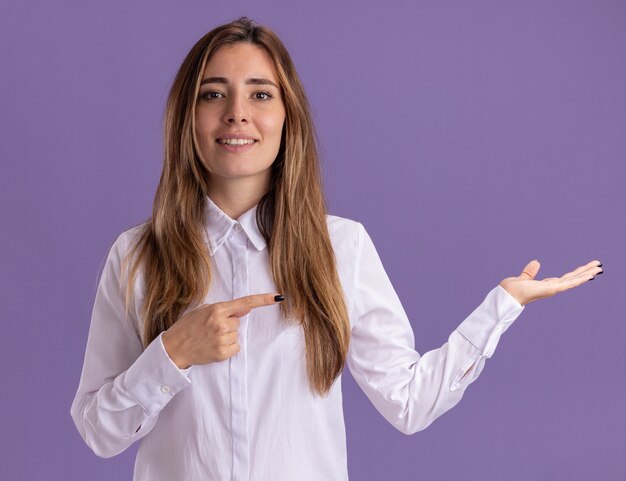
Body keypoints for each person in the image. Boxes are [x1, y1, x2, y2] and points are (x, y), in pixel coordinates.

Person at [70, 16, 603, 481]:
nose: (237, 113)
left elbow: (409, 403)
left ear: (287, 117)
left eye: (260, 93)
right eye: (213, 93)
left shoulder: (340, 247)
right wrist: (173, 352)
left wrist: (503, 306)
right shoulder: (136, 254)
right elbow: (98, 431)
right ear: (186, 116)